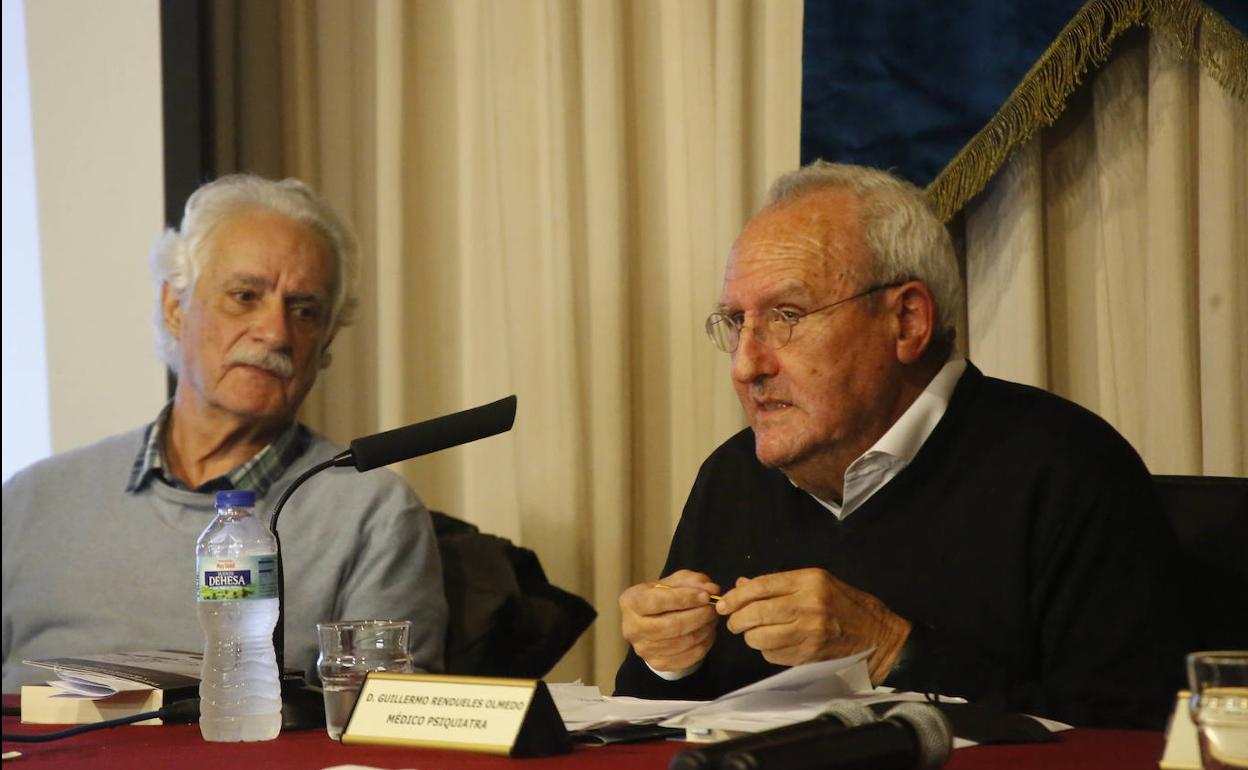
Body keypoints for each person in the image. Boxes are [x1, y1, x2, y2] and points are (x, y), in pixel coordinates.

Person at [614, 161, 1182, 728]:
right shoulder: (735, 474)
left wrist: (894, 650)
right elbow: (654, 729)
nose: (746, 365)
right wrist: (664, 663)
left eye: (787, 316)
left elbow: (1125, 734)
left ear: (907, 321)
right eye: (737, 322)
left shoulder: (1069, 468)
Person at [2, 174, 447, 691]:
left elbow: (390, 721)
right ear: (175, 308)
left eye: (305, 311)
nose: (276, 332)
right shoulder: (31, 502)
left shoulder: (372, 515)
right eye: (244, 296)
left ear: (325, 341)